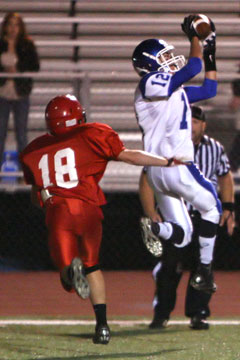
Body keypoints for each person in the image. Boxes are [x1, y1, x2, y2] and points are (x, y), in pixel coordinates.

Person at [20, 94, 181, 345]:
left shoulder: (33, 150)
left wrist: (46, 202)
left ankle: (70, 274)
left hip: (59, 211)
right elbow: (130, 156)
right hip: (90, 209)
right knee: (93, 265)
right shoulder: (93, 134)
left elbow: (35, 195)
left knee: (67, 276)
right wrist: (166, 161)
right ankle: (102, 326)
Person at [132, 15, 221, 296]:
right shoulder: (150, 83)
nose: (171, 59)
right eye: (164, 56)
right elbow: (193, 66)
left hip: (158, 172)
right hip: (176, 166)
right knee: (212, 207)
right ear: (149, 63)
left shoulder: (171, 90)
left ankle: (155, 229)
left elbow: (210, 89)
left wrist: (211, 55)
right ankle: (205, 272)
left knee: (182, 236)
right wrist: (194, 36)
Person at [139, 105, 235, 330]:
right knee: (170, 267)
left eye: (196, 122)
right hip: (176, 214)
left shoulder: (215, 148)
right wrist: (150, 212)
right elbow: (146, 179)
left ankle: (199, 313)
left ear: (204, 125)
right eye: (188, 121)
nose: (191, 126)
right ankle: (161, 312)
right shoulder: (166, 146)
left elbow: (225, 177)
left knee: (203, 266)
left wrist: (229, 208)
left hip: (203, 216)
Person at [0, 12, 40, 167]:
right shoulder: (0, 44)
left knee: (21, 134)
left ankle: (24, 173)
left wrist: (18, 69)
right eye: (10, 24)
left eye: (16, 25)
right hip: (2, 93)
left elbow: (34, 66)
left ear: (20, 27)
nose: (12, 28)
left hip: (20, 93)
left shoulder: (26, 44)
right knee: (0, 134)